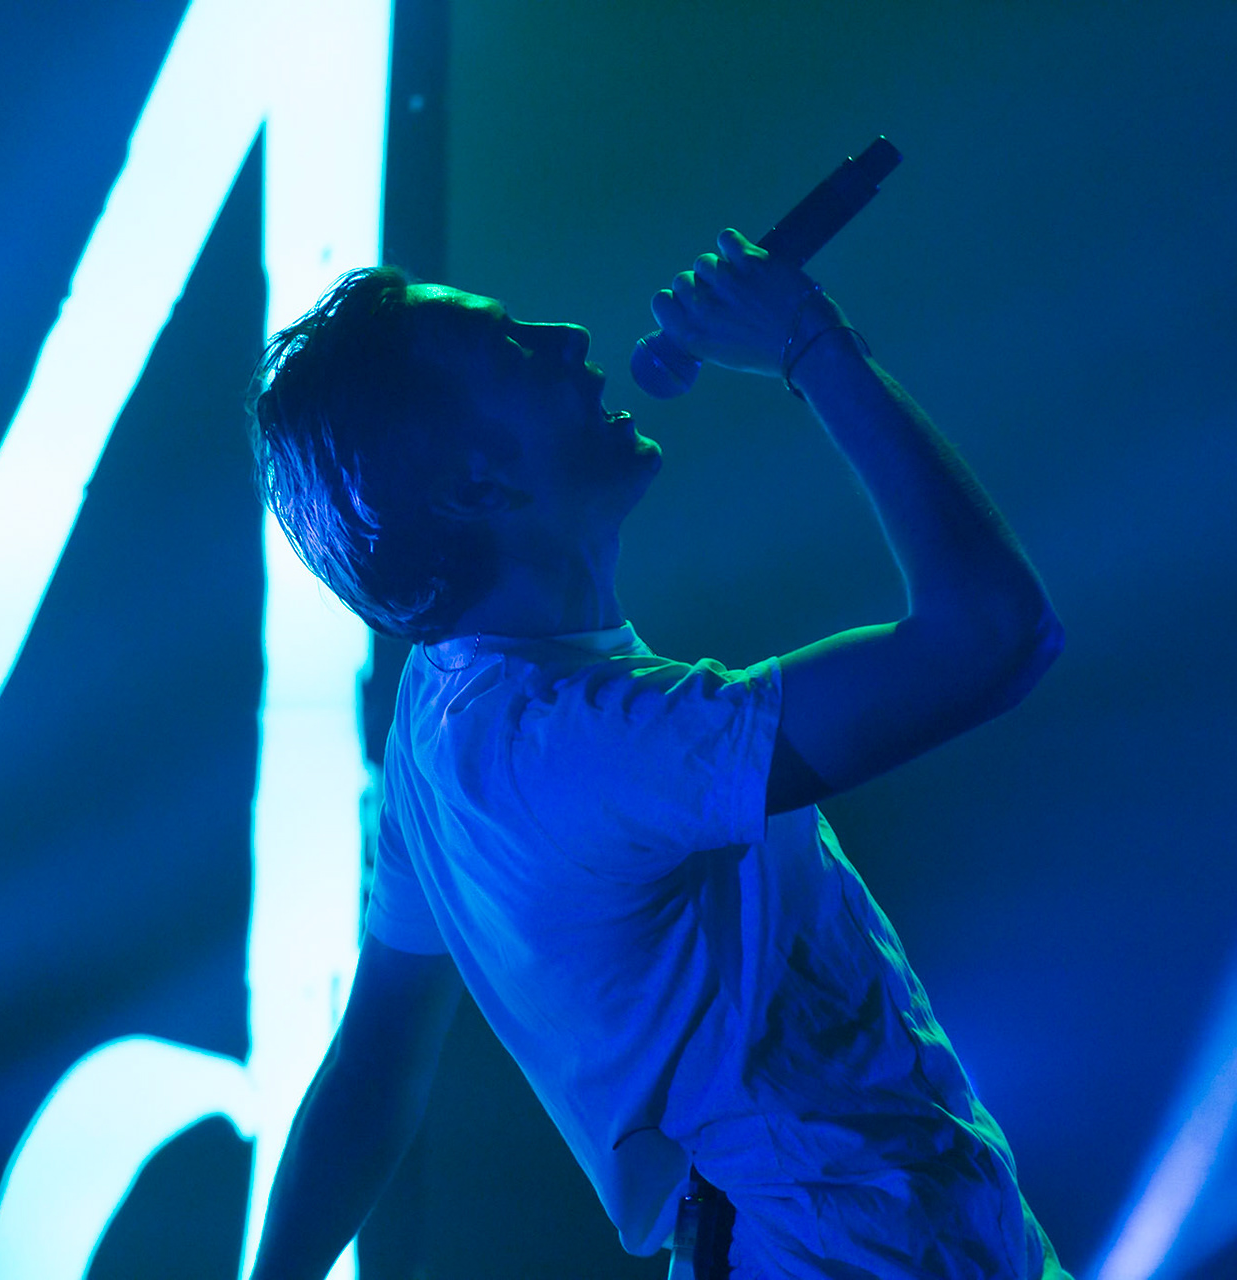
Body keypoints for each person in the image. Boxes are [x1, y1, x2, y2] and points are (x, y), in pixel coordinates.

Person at [246, 228, 1069, 1279]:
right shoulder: (576, 746)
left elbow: (373, 1063)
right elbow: (995, 633)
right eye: (512, 351)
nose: (570, 336)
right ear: (473, 485)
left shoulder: (447, 710)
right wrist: (807, 341)